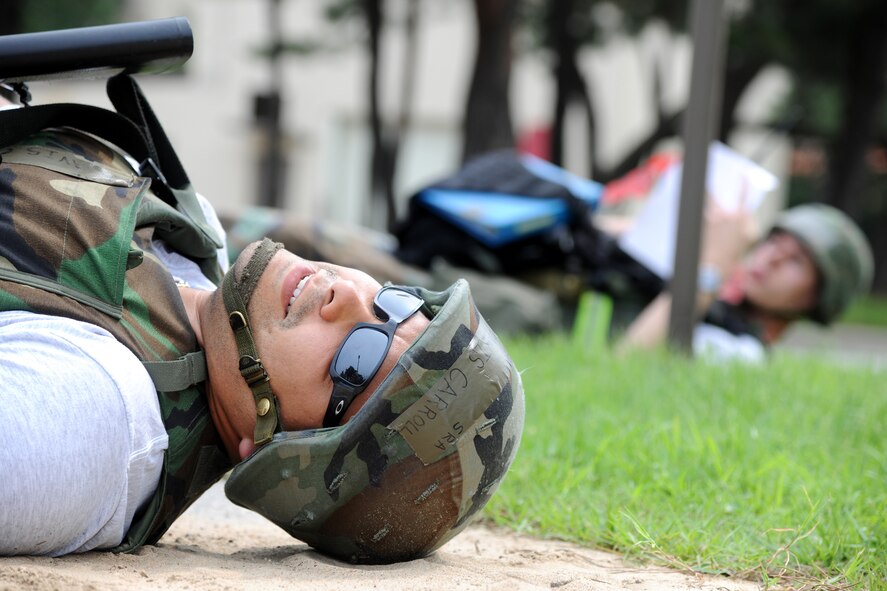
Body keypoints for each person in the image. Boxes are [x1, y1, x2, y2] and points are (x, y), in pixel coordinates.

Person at [0, 84, 524, 563]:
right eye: (395, 305)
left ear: (281, 454)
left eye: (357, 359)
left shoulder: (99, 418)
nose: (348, 294)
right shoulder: (199, 245)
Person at [617, 199, 874, 361]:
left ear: (816, 299)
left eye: (796, 261)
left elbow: (630, 359)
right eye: (775, 242)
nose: (773, 258)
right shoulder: (715, 309)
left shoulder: (745, 355)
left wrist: (711, 269)